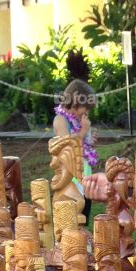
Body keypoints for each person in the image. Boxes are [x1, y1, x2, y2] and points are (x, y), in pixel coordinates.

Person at [53, 78, 97, 219]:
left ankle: (84, 240)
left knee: (85, 214)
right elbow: (68, 146)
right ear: (76, 101)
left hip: (85, 174)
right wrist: (83, 131)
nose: (87, 113)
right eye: (86, 108)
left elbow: (82, 145)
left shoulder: (77, 120)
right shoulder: (61, 120)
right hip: (71, 179)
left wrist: (90, 140)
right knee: (75, 217)